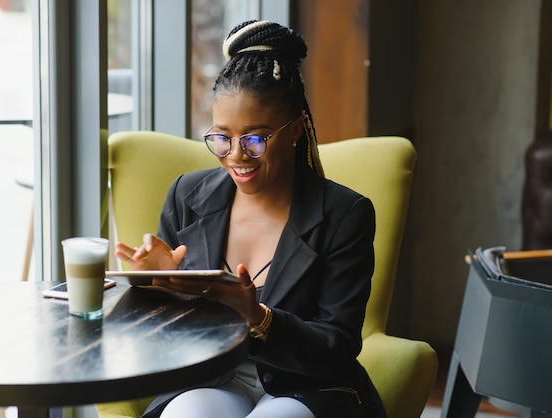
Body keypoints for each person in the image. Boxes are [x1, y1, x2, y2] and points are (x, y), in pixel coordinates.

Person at [114, 19, 386, 418]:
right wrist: (154, 290)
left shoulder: (345, 215)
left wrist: (259, 319)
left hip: (307, 384)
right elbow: (161, 340)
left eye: (255, 139)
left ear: (294, 131)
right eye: (221, 138)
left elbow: (339, 344)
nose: (236, 156)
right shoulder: (187, 197)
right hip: (212, 376)